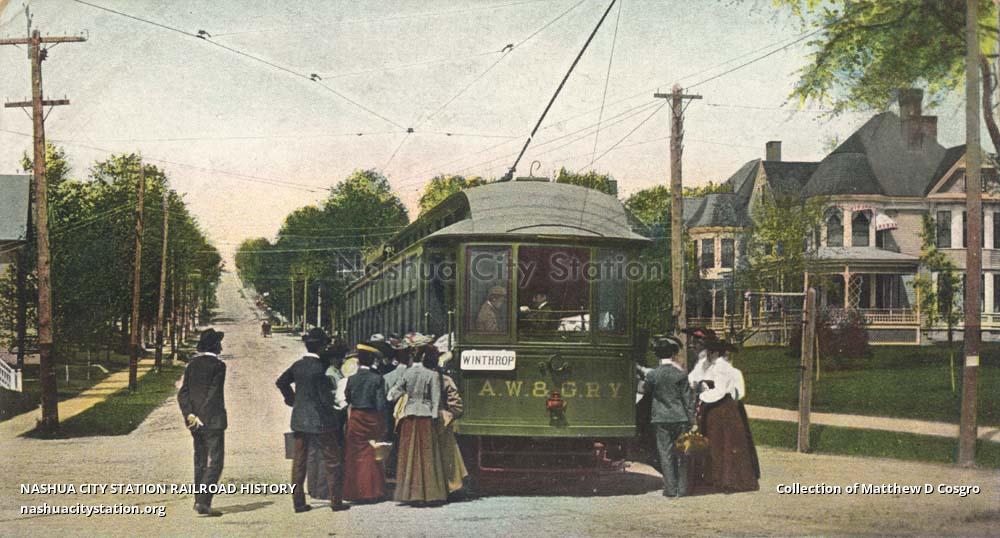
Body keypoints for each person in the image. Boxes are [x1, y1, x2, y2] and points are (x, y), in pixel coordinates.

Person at [276, 328, 350, 512]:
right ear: (321, 346)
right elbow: (325, 399)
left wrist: (293, 400)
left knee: (299, 461)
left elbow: (281, 382)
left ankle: (299, 503)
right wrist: (335, 409)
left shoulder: (297, 365)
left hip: (300, 419)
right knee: (332, 459)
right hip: (321, 421)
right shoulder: (320, 369)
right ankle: (336, 501)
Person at [688, 338, 760, 494]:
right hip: (723, 407)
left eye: (709, 351)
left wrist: (703, 396)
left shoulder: (720, 367)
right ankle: (720, 477)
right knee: (723, 443)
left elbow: (720, 391)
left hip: (721, 408)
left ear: (714, 353)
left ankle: (726, 479)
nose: (707, 355)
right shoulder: (719, 367)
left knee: (722, 443)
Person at [387, 342, 448, 505]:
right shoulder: (432, 375)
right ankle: (429, 494)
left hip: (409, 415)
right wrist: (435, 417)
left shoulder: (406, 374)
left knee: (409, 455)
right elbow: (436, 399)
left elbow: (391, 395)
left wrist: (402, 396)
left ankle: (410, 494)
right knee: (427, 455)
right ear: (423, 356)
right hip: (426, 416)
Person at [178, 328, 228, 517]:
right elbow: (213, 394)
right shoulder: (219, 366)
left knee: (199, 460)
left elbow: (183, 393)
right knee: (216, 461)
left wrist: (190, 414)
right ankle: (203, 502)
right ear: (215, 346)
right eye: (219, 343)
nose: (221, 346)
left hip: (194, 422)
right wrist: (202, 416)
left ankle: (198, 500)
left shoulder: (192, 365)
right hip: (212, 421)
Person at [642, 335, 696, 498]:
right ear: (672, 354)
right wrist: (692, 420)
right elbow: (688, 400)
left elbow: (646, 391)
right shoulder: (681, 374)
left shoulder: (653, 375)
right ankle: (683, 488)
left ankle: (670, 489)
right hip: (680, 417)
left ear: (657, 355)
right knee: (682, 453)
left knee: (665, 453)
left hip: (661, 418)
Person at [343, 343, 388, 503]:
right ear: (372, 360)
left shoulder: (352, 379)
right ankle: (372, 491)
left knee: (355, 453)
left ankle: (355, 491)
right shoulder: (377, 379)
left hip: (356, 417)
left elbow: (347, 397)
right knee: (370, 452)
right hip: (371, 416)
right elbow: (381, 404)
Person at [433, 349, 469, 497]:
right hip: (442, 419)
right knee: (448, 455)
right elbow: (456, 405)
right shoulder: (445, 379)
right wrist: (451, 414)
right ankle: (451, 486)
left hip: (420, 420)